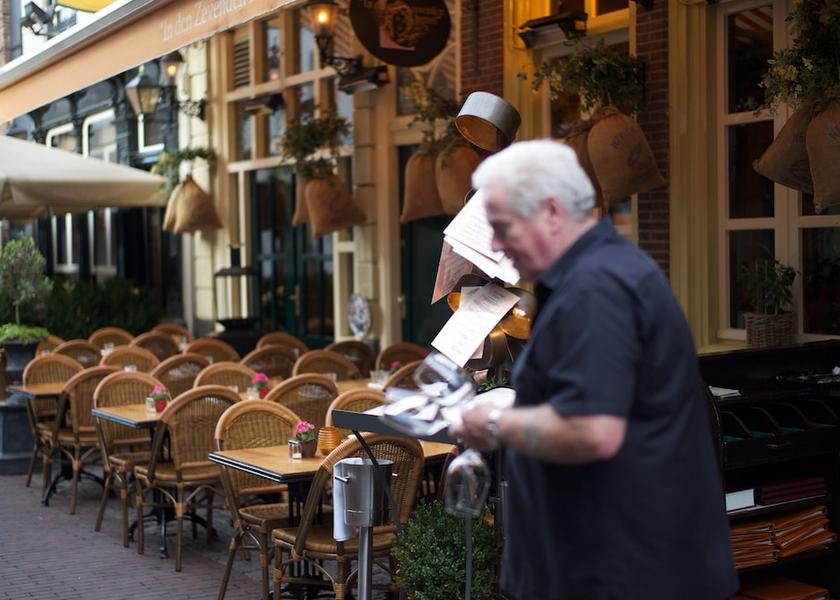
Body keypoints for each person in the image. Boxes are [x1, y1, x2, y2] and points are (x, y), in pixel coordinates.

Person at [451, 140, 738, 600]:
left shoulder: (595, 288)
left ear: (550, 210)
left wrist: (496, 422)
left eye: (504, 227)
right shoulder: (599, 273)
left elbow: (591, 430)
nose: (498, 245)